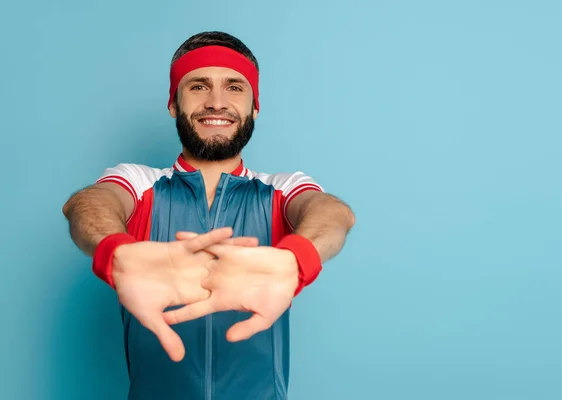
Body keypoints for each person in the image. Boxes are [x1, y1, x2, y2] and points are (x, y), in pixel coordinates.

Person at [62, 31, 355, 400]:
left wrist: (298, 258)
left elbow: (332, 213)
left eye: (234, 88)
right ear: (173, 103)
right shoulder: (139, 182)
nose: (217, 102)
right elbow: (89, 204)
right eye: (199, 86)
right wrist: (115, 250)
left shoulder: (281, 189)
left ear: (255, 107)